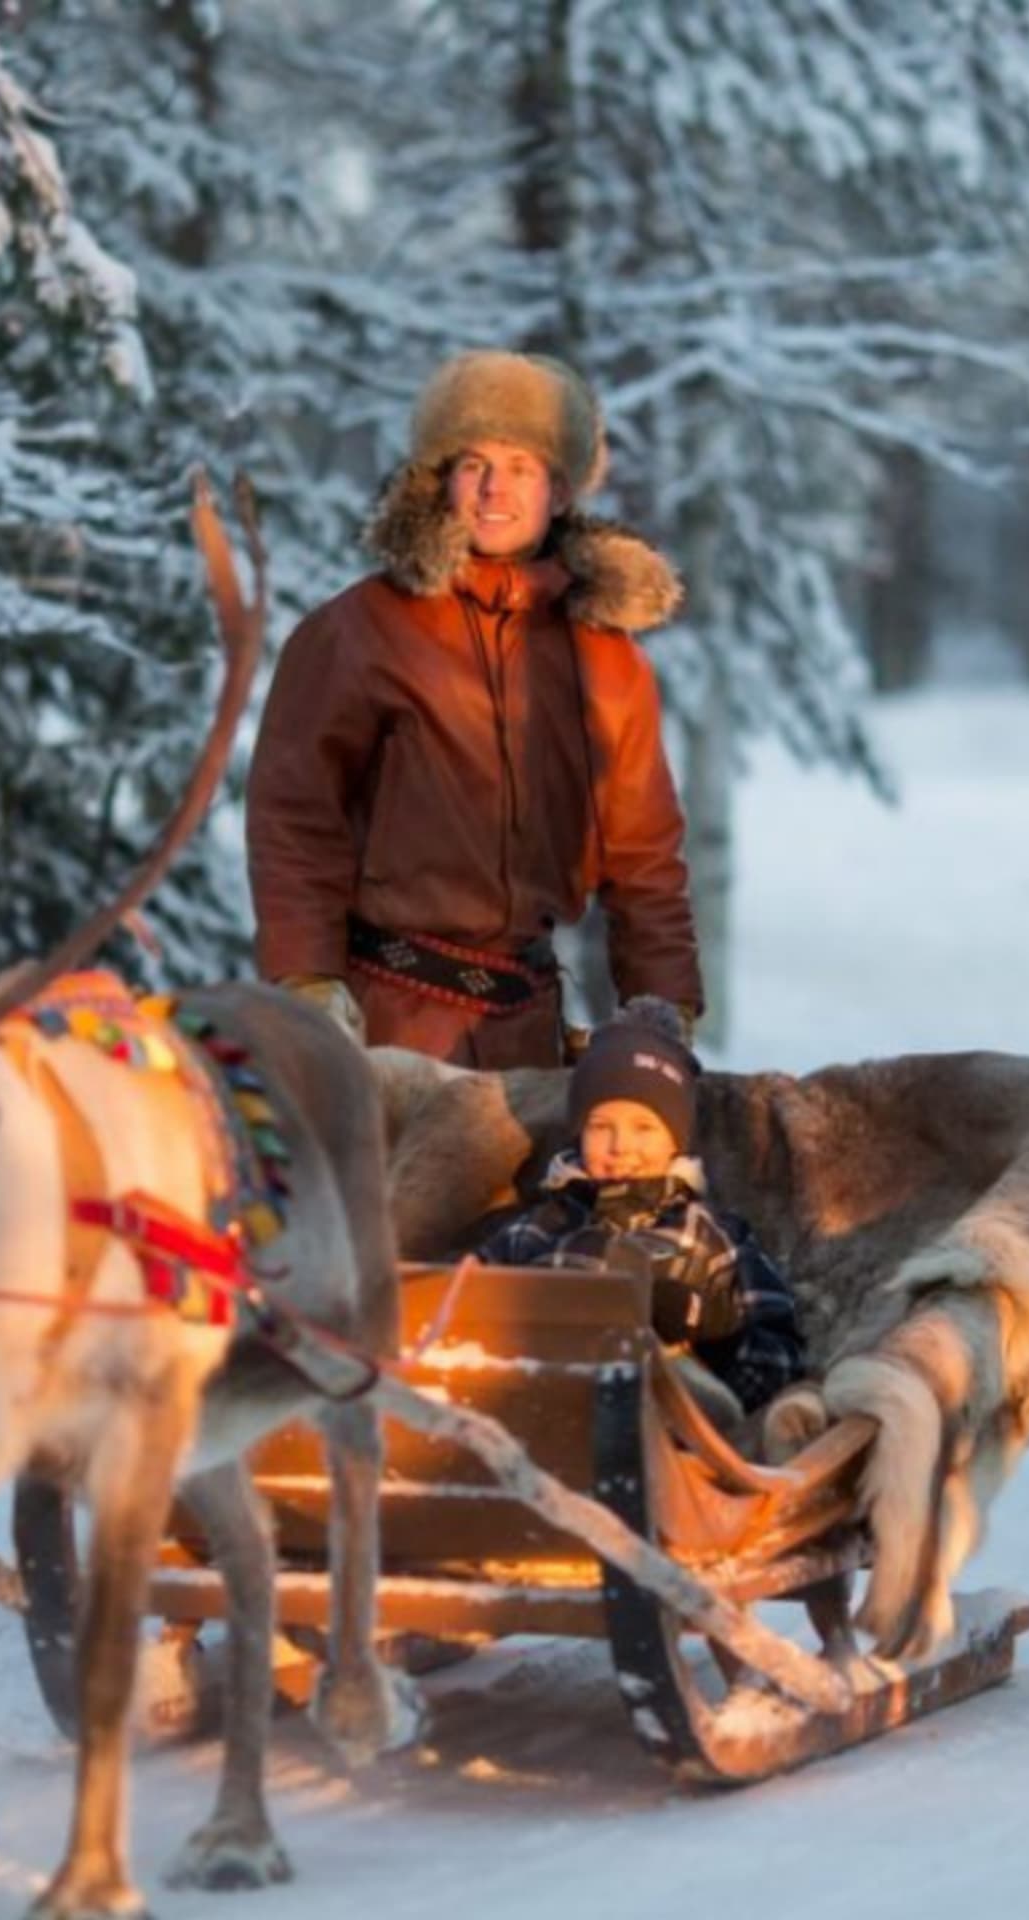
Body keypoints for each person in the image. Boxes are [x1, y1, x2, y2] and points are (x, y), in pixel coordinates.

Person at [244, 347, 703, 1068]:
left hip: (530, 1032)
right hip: (384, 1025)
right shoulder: (358, 630)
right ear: (441, 482)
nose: (494, 488)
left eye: (520, 467)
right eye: (473, 465)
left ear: (558, 492)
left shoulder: (606, 658)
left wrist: (661, 1006)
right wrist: (308, 978)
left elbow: (643, 852)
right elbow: (295, 815)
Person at [474, 1002, 809, 1443]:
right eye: (600, 1126)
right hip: (542, 1410)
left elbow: (782, 1361)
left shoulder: (716, 1237)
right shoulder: (538, 1228)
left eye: (644, 1128)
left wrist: (713, 1328)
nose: (620, 1146)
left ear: (676, 1138)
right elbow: (463, 1304)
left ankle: (679, 1397)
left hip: (666, 1442)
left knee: (670, 1372)